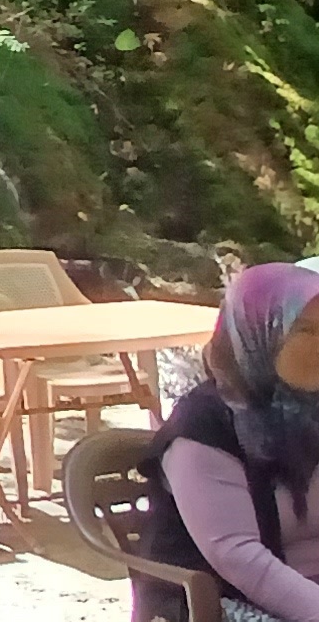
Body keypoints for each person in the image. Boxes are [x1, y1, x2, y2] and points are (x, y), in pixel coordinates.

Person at [142, 262, 319, 622]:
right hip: (222, 601)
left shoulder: (310, 409)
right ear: (260, 333)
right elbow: (240, 558)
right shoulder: (205, 425)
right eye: (306, 330)